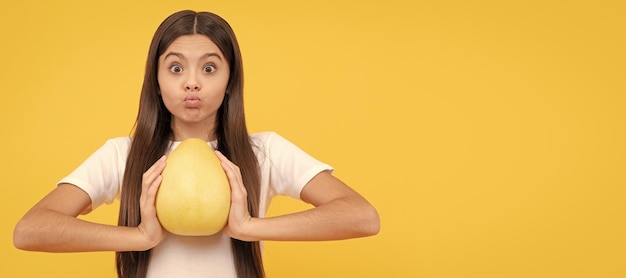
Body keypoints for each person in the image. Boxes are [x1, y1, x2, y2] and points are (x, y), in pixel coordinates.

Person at [13, 10, 380, 278]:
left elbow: (362, 217)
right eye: (175, 68)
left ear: (229, 80)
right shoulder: (122, 155)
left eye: (208, 68)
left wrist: (247, 227)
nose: (192, 82)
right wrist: (139, 236)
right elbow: (30, 230)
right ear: (156, 81)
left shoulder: (263, 152)